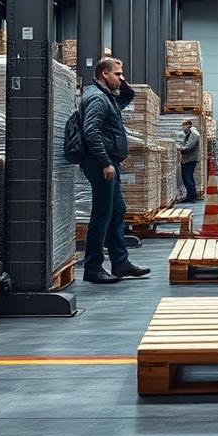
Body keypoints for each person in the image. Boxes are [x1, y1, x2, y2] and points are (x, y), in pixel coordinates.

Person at [79, 57, 150, 284]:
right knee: (101, 216)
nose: (122, 78)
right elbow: (91, 132)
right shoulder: (98, 98)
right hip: (101, 164)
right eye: (117, 74)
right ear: (103, 74)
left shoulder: (108, 96)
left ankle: (120, 262)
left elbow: (129, 95)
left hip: (109, 163)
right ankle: (93, 267)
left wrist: (120, 81)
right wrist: (104, 163)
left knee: (117, 210)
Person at [178, 118, 201, 203]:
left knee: (186, 177)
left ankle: (191, 197)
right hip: (189, 159)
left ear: (188, 125)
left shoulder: (193, 134)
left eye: (183, 126)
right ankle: (191, 195)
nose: (182, 128)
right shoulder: (190, 133)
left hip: (189, 159)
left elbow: (189, 146)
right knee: (189, 177)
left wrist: (180, 149)